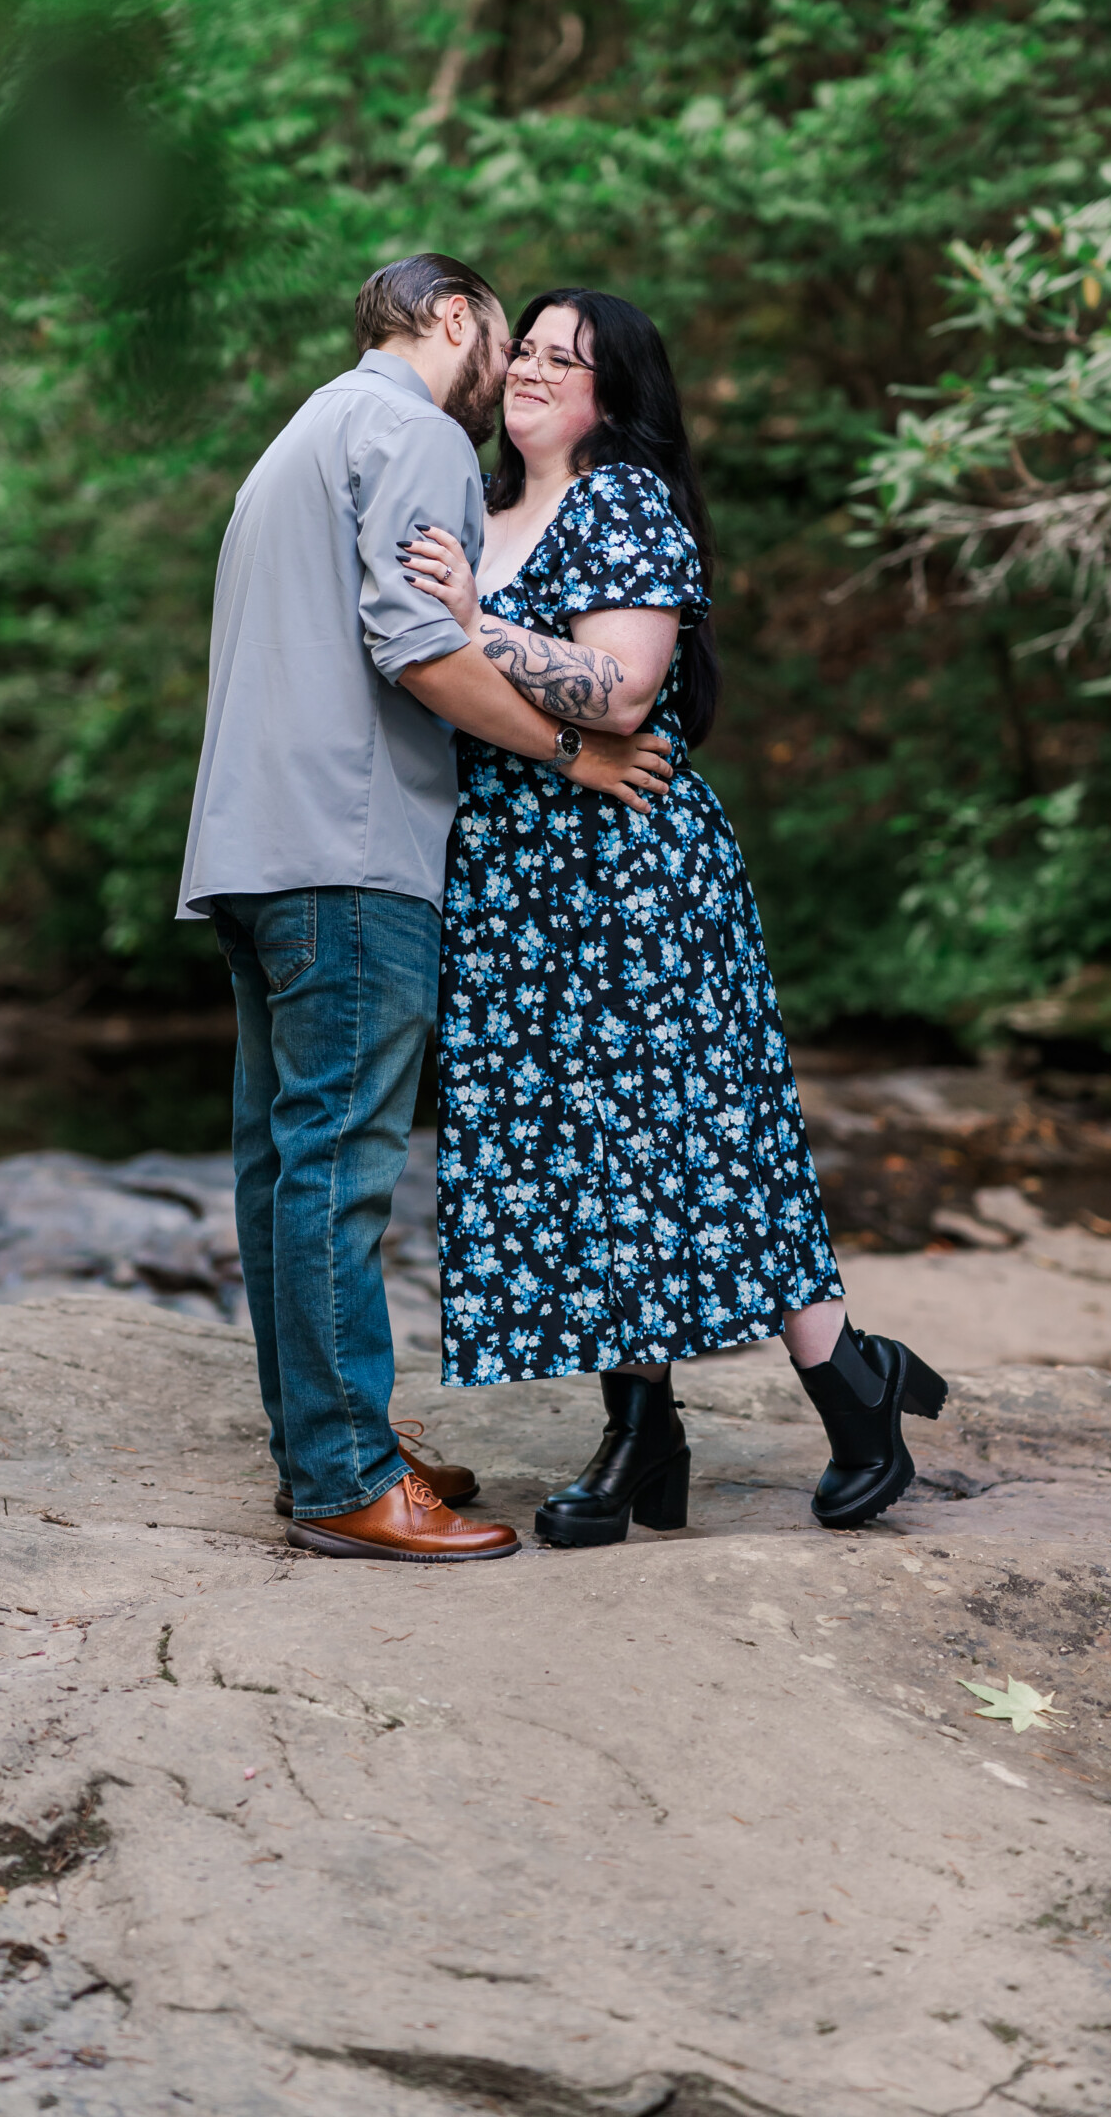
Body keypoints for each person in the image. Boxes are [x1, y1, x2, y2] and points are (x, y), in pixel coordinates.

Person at [401, 288, 948, 1543]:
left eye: (565, 360)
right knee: (580, 1152)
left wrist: (478, 624)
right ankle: (643, 1431)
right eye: (525, 351)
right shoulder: (474, 512)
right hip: (511, 882)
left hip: (633, 873)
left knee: (696, 1131)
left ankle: (851, 1385)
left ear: (615, 396)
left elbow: (627, 688)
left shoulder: (622, 504)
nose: (533, 372)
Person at [177, 255, 674, 1564]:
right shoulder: (411, 434)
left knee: (282, 1167)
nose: (504, 375)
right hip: (348, 848)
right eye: (500, 344)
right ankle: (345, 1479)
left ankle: (327, 1445)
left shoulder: (305, 431)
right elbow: (417, 644)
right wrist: (574, 755)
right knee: (338, 1169)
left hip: (246, 845)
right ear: (452, 318)